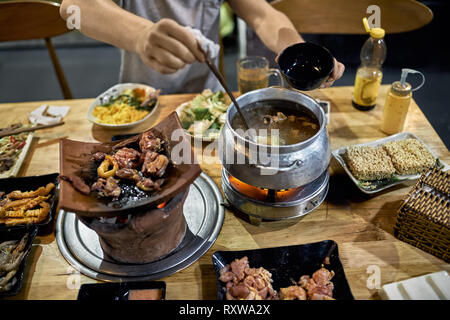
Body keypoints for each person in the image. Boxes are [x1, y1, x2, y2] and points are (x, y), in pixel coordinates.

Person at [60, 0, 345, 94]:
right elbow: (74, 7)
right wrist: (141, 36)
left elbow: (262, 13)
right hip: (145, 99)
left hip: (207, 95)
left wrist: (296, 50)